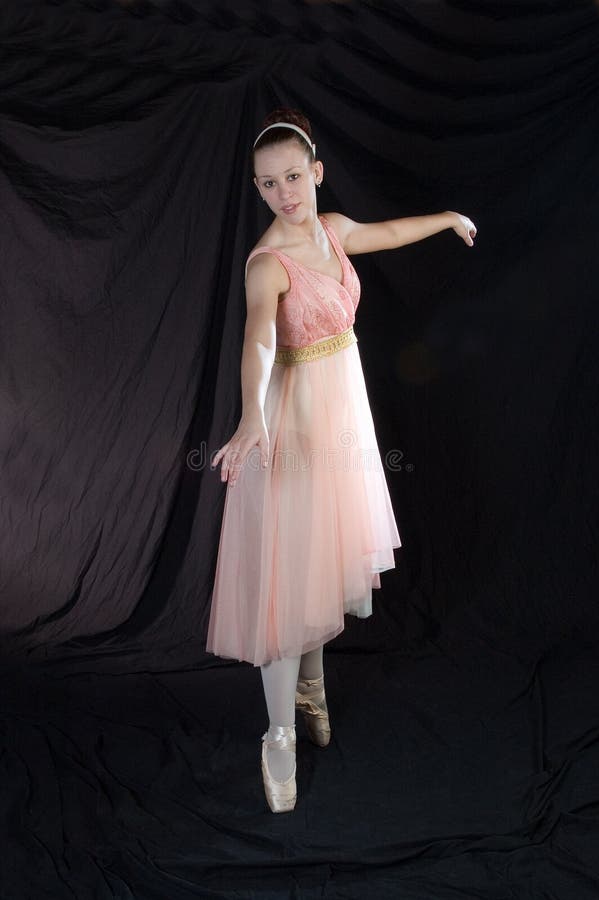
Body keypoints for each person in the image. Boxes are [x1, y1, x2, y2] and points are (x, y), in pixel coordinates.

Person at [207, 108, 476, 813]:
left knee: (323, 562)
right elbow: (259, 342)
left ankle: (310, 684)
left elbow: (385, 234)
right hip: (292, 424)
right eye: (268, 184)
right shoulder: (266, 263)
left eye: (292, 177)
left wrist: (445, 216)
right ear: (259, 190)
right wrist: (251, 418)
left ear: (315, 173)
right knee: (285, 578)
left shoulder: (333, 231)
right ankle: (277, 735)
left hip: (340, 408)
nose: (283, 193)